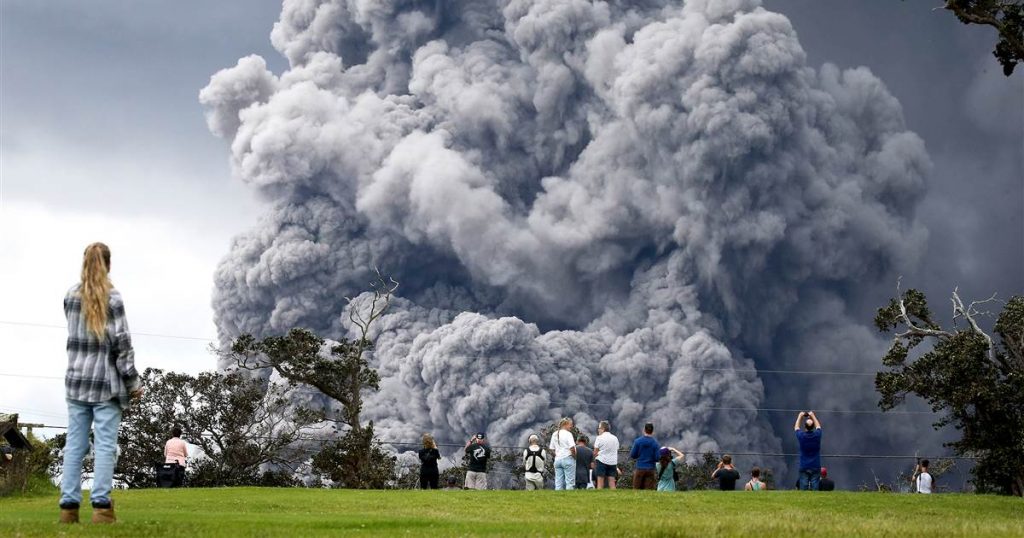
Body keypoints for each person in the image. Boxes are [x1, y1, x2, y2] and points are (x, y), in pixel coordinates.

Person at [59, 243, 142, 525]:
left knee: (74, 445)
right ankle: (102, 509)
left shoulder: (70, 296)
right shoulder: (113, 299)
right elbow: (122, 346)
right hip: (105, 385)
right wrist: (133, 382)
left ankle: (68, 509)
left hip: (76, 382)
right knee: (105, 446)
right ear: (108, 264)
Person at [794, 411, 822, 491]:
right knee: (815, 488)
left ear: (805, 427)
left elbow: (796, 428)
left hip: (804, 466)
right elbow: (819, 427)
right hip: (815, 466)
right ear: (813, 427)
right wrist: (813, 415)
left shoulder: (801, 436)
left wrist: (800, 416)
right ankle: (814, 501)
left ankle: (804, 502)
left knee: (803, 489)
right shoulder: (817, 435)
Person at [629, 422, 659, 490]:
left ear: (644, 430)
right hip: (650, 469)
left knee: (636, 489)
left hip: (640, 468)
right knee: (648, 491)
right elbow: (657, 458)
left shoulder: (638, 441)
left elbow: (633, 455)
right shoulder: (655, 443)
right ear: (652, 431)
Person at [548, 417, 577, 490]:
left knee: (558, 483)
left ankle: (558, 499)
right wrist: (574, 456)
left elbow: (551, 449)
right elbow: (572, 448)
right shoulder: (568, 434)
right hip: (568, 459)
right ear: (566, 424)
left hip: (557, 460)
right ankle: (569, 499)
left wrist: (557, 455)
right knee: (570, 483)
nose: (571, 426)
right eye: (571, 424)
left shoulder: (554, 434)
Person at [592, 420, 620, 489]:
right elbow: (616, 449)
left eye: (599, 428)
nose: (598, 430)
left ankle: (600, 498)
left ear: (603, 429)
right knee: (612, 482)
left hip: (601, 461)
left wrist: (593, 461)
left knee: (600, 482)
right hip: (612, 462)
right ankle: (614, 497)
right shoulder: (615, 438)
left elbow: (595, 452)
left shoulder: (599, 438)